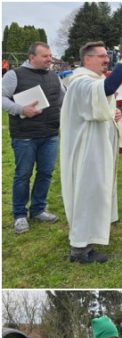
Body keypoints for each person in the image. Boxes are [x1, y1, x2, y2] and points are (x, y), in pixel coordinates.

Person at [60, 41, 122, 264]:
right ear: (87, 59)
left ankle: (88, 238)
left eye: (107, 56)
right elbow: (108, 89)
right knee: (86, 194)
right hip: (86, 153)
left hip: (95, 149)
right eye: (101, 56)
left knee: (95, 192)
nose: (106, 60)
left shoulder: (92, 81)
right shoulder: (81, 83)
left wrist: (114, 113)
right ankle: (79, 249)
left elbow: (101, 104)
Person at [2, 41, 63, 234]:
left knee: (45, 173)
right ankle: (19, 214)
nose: (49, 59)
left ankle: (38, 209)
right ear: (31, 57)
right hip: (25, 136)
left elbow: (64, 99)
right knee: (23, 175)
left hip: (51, 134)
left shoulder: (54, 76)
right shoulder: (15, 75)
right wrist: (21, 109)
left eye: (50, 55)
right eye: (45, 56)